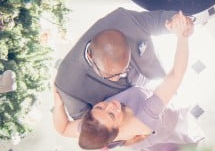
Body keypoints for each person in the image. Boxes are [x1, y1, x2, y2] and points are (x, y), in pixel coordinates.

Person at [53, 12, 203, 151]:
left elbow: (63, 129)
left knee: (152, 144)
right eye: (112, 115)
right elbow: (176, 75)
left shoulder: (96, 125)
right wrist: (183, 38)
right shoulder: (147, 113)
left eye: (99, 106)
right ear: (115, 133)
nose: (111, 105)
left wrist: (58, 105)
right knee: (174, 138)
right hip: (163, 123)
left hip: (136, 134)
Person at [53, 8, 193, 121]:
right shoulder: (68, 85)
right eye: (111, 75)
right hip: (132, 113)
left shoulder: (124, 19)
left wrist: (177, 23)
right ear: (90, 56)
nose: (121, 76)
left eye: (124, 68)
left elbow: (160, 21)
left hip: (156, 79)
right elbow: (87, 125)